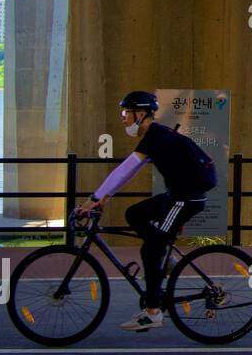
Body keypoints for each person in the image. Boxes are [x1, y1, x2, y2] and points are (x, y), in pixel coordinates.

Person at [76, 91, 218, 332]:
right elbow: (129, 172)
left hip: (185, 200)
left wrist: (95, 199)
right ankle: (166, 258)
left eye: (125, 113)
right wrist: (104, 197)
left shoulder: (156, 136)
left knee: (150, 249)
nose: (122, 118)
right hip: (176, 195)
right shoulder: (156, 135)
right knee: (135, 214)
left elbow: (124, 169)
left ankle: (153, 312)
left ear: (140, 114)